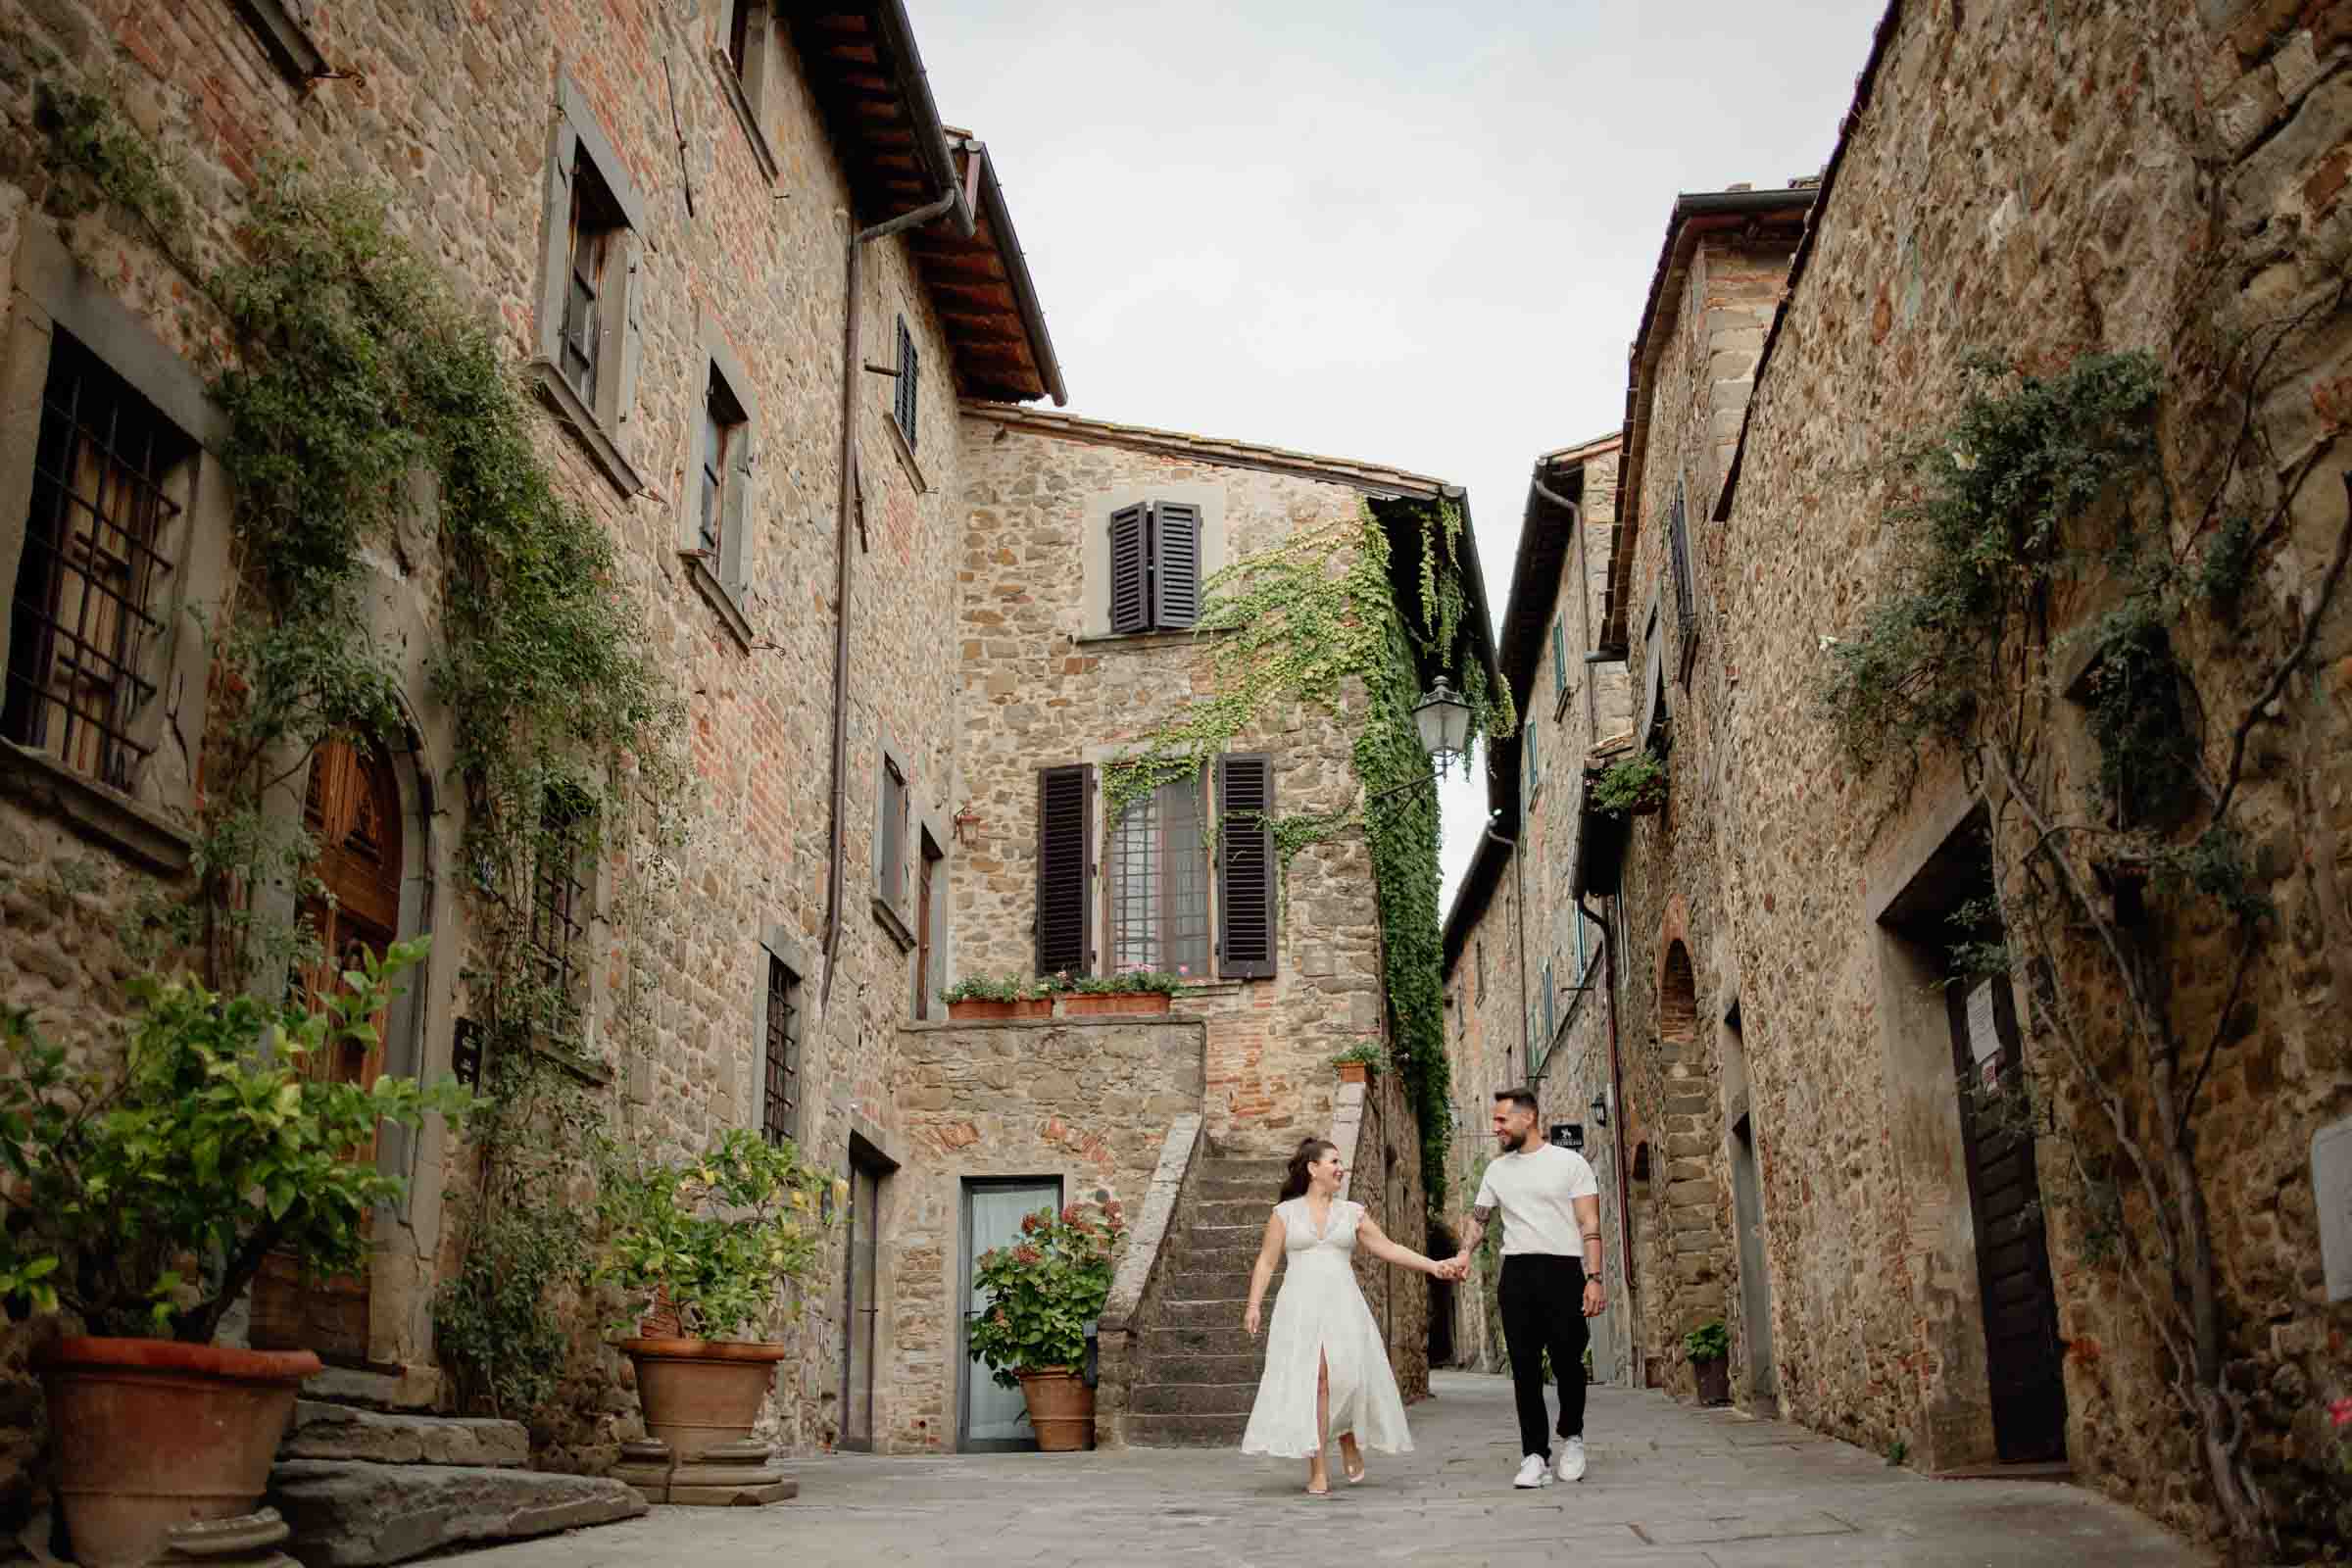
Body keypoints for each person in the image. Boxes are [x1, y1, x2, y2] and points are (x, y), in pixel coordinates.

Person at [1241, 1137, 1452, 1495]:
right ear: (1313, 1169)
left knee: (1349, 1378)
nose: (1341, 1168)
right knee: (1317, 1381)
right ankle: (1318, 1468)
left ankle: (1347, 1433)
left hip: (1343, 1304)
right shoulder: (1284, 1214)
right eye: (1334, 1162)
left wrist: (1434, 1266)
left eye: (1341, 1162)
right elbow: (1266, 1261)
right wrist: (1253, 1304)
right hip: (1301, 1306)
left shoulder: (1352, 1212)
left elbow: (1388, 1247)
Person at [1444, 1087, 1606, 1489]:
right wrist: (1464, 1251)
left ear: (1527, 1118)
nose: (1495, 1127)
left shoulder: (1570, 1163)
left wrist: (1595, 1277)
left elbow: (1589, 1223)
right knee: (1524, 1369)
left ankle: (1573, 1439)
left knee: (1568, 1363)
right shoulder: (1497, 1171)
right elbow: (1480, 1219)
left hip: (1564, 1271)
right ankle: (1534, 1454)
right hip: (1516, 1273)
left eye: (1501, 1120)